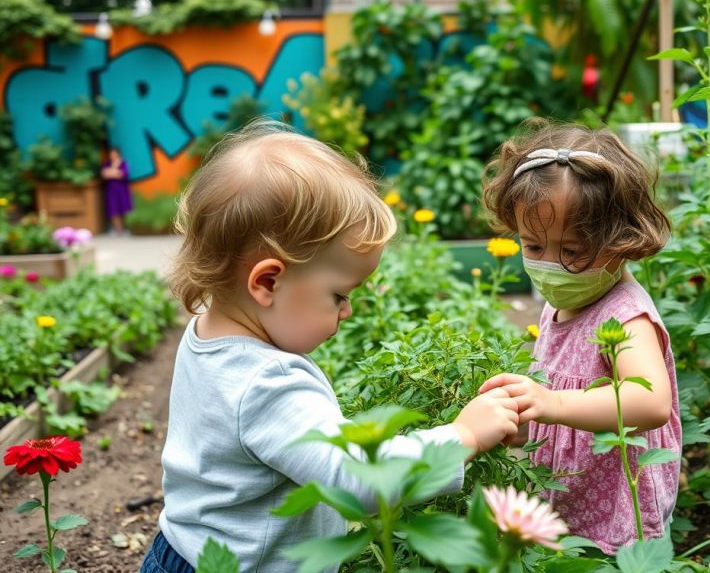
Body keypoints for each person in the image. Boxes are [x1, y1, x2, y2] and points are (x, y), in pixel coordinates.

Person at [140, 121, 519, 573]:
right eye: (339, 295)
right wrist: (462, 437)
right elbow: (354, 479)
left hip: (179, 550)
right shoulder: (268, 383)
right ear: (267, 281)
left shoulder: (207, 332)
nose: (348, 311)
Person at [478, 120, 681, 554]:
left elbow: (651, 402)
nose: (551, 265)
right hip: (569, 501)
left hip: (612, 517)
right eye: (534, 246)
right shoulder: (564, 299)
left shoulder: (626, 318)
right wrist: (525, 422)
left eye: (571, 250)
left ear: (623, 240)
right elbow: (563, 399)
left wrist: (554, 404)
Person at [100, 148, 132, 235]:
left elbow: (122, 174)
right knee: (113, 210)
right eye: (111, 154)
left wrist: (111, 172)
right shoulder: (107, 163)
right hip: (111, 191)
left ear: (118, 154)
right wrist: (115, 171)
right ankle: (119, 231)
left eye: (114, 154)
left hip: (122, 190)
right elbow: (104, 174)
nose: (112, 156)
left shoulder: (123, 163)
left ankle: (127, 229)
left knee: (125, 209)